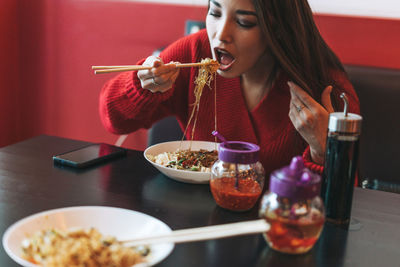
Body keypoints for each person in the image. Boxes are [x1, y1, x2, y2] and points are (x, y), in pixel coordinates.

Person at [99, 0, 360, 178]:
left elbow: (346, 202)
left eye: (244, 22)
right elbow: (113, 119)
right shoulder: (195, 52)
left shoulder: (326, 89)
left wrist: (323, 150)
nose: (220, 34)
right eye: (214, 12)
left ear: (277, 30)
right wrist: (143, 85)